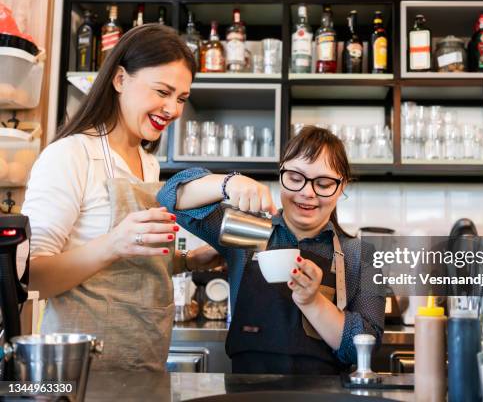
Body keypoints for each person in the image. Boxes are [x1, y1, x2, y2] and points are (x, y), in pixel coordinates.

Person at [22, 24, 219, 372]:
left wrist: (190, 259)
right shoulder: (70, 155)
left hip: (143, 360)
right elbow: (32, 274)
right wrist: (113, 243)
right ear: (120, 79)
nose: (173, 109)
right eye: (162, 91)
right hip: (79, 369)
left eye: (182, 98)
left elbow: (134, 263)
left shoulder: (148, 163)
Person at [157, 126, 385, 374]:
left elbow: (366, 346)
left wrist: (312, 302)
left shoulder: (361, 255)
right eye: (296, 179)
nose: (307, 193)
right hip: (245, 392)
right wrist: (228, 182)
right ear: (280, 175)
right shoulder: (243, 232)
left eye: (324, 183)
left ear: (341, 187)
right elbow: (169, 196)